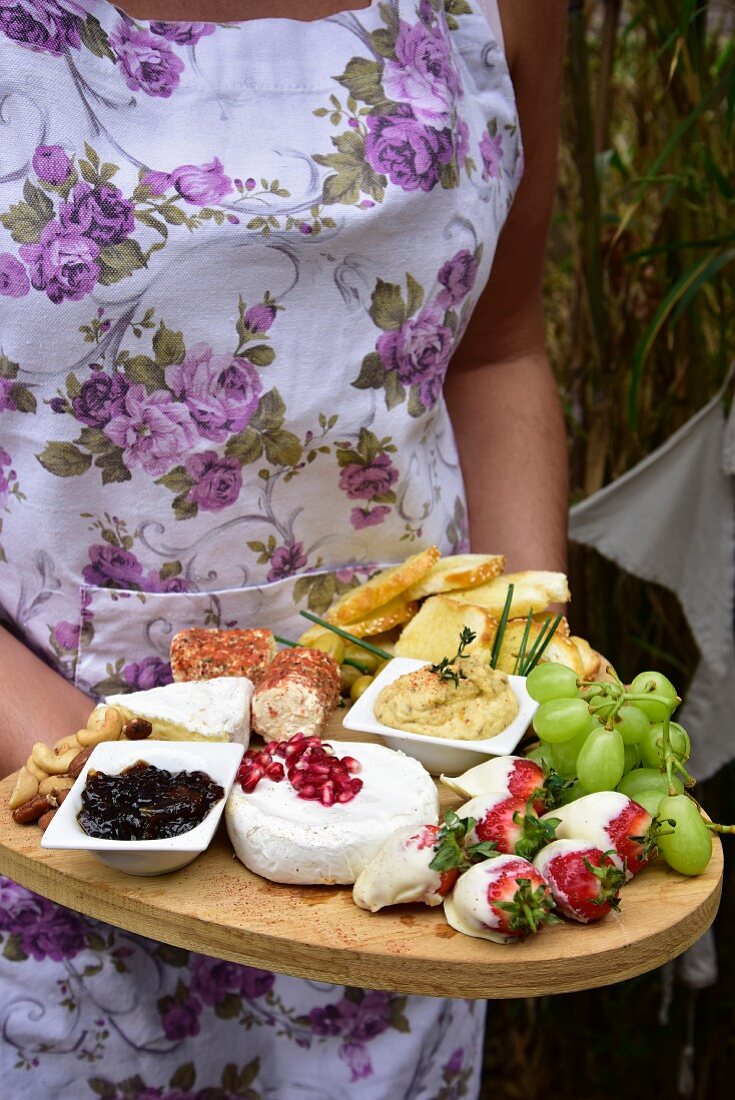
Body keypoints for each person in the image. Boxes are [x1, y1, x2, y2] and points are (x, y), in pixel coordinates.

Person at [0, 1, 568, 1096]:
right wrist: (125, 789)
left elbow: (497, 349)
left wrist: (505, 693)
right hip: (42, 833)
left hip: (398, 854)